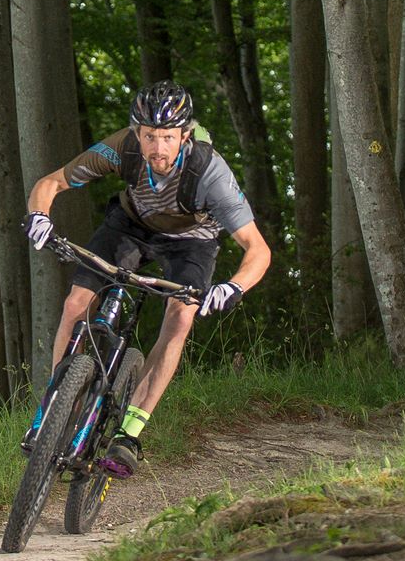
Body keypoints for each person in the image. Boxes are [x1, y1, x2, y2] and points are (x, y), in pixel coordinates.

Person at [22, 81, 270, 477]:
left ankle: (130, 433)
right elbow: (52, 183)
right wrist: (39, 215)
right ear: (138, 132)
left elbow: (258, 249)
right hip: (130, 225)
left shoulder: (210, 173)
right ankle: (54, 408)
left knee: (181, 318)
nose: (158, 147)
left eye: (168, 137)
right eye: (150, 136)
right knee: (75, 303)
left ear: (184, 136)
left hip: (192, 242)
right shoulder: (122, 148)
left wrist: (232, 287)